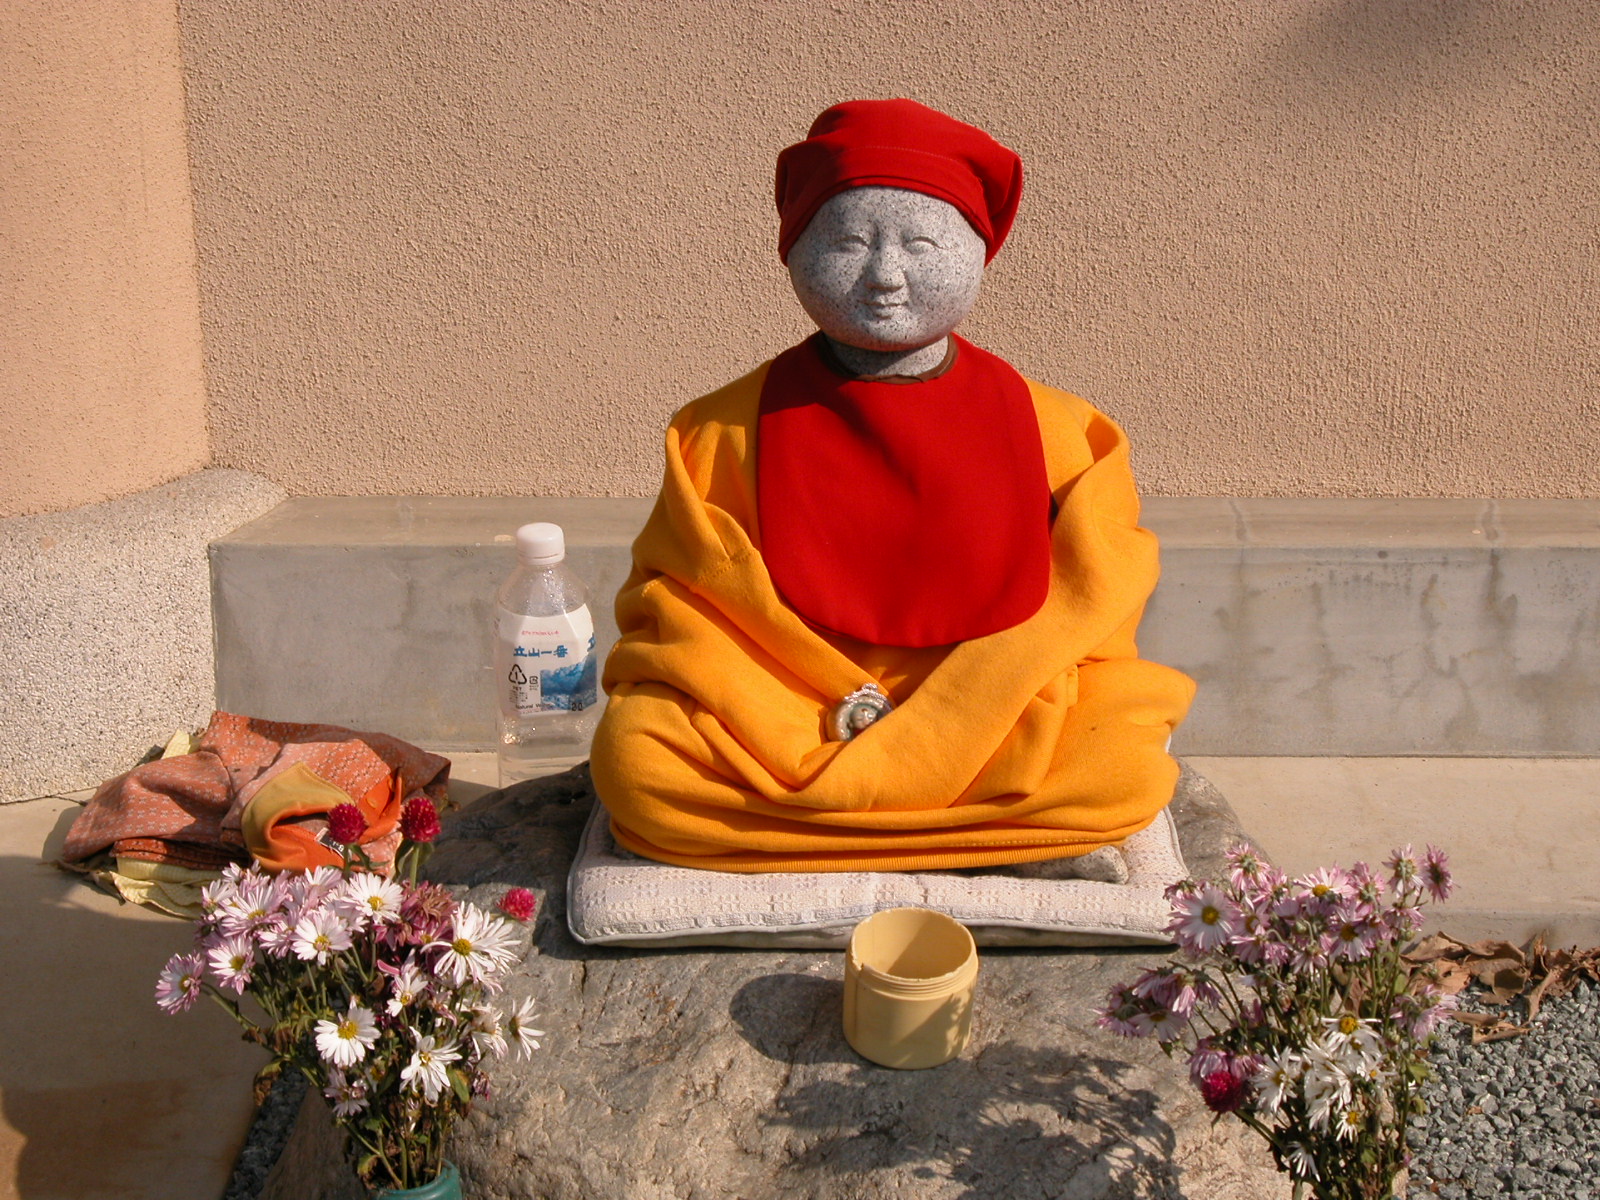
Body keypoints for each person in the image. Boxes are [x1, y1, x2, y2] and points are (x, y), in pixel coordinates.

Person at [588, 98, 1195, 873]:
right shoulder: (716, 430)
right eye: (848, 242)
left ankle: (859, 822)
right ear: (793, 250)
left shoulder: (1069, 432)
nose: (884, 276)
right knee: (640, 765)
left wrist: (950, 716)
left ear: (979, 252)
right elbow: (686, 617)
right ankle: (995, 836)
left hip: (1003, 716)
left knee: (1119, 761)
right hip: (784, 718)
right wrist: (846, 704)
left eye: (920, 244)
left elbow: (1091, 615)